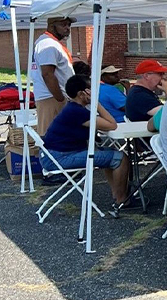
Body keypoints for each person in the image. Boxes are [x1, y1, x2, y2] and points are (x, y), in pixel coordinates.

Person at [40, 75, 132, 211]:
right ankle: (122, 200)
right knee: (120, 158)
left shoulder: (72, 108)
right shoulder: (77, 112)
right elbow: (112, 125)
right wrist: (96, 103)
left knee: (110, 153)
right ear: (81, 94)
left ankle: (118, 194)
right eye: (90, 90)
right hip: (59, 158)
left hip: (52, 155)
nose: (94, 93)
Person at [30, 16, 76, 135]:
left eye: (69, 25)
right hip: (52, 97)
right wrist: (61, 98)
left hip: (53, 96)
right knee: (51, 137)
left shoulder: (49, 42)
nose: (67, 28)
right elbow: (47, 74)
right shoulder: (47, 44)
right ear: (51, 26)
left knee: (59, 136)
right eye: (63, 25)